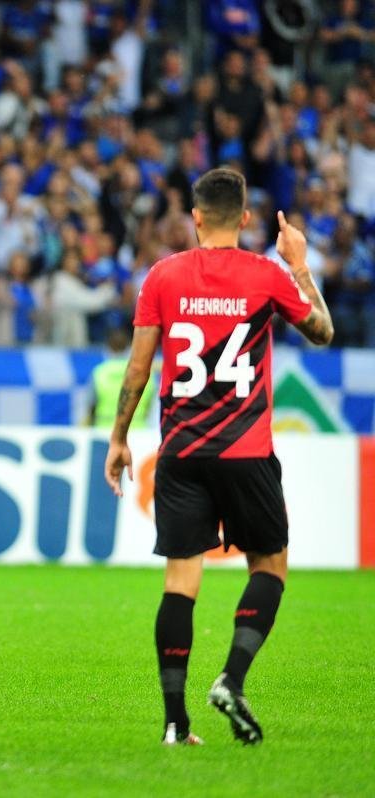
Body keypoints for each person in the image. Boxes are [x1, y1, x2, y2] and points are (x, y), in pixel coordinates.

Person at [104, 168, 332, 747]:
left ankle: (176, 725)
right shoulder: (267, 275)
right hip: (247, 452)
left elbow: (138, 368)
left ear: (196, 217)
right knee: (269, 568)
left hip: (181, 452)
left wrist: (119, 437)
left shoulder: (163, 275)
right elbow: (323, 331)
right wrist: (299, 264)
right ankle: (232, 677)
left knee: (181, 583)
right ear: (248, 218)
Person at [86, 326, 155, 429]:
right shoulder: (145, 371)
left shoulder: (99, 373)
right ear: (130, 347)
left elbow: (90, 406)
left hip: (105, 431)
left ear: (107, 348)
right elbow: (151, 406)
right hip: (139, 431)